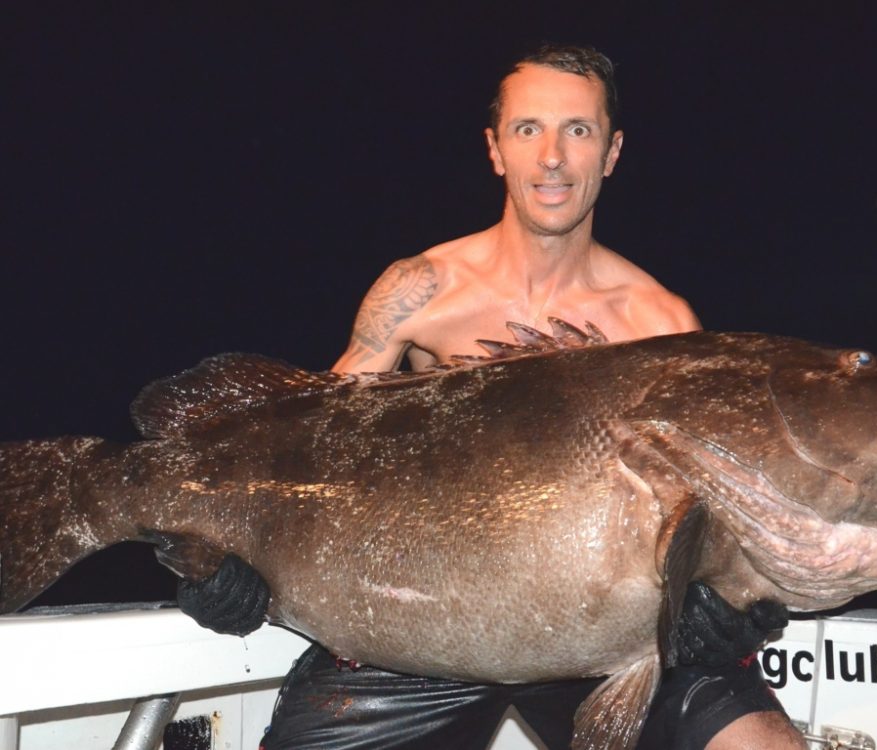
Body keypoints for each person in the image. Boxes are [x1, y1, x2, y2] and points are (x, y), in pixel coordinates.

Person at [178, 44, 805, 749]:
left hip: (592, 637)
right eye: (528, 129)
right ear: (495, 148)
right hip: (421, 630)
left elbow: (712, 513)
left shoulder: (659, 325)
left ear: (613, 151)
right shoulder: (419, 290)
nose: (553, 160)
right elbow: (313, 446)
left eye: (579, 130)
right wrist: (220, 555)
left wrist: (738, 603)